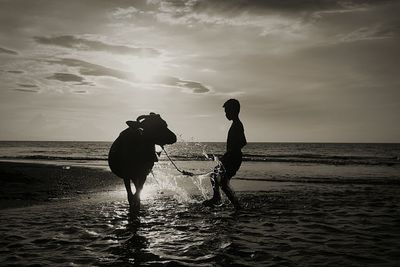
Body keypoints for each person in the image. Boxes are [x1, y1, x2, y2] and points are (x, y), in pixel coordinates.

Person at [203, 99, 247, 209]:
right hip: (231, 157)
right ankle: (218, 198)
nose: (226, 114)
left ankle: (234, 205)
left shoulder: (237, 125)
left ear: (234, 111)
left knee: (222, 182)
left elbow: (243, 142)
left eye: (227, 111)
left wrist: (230, 153)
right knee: (216, 176)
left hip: (234, 158)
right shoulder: (235, 124)